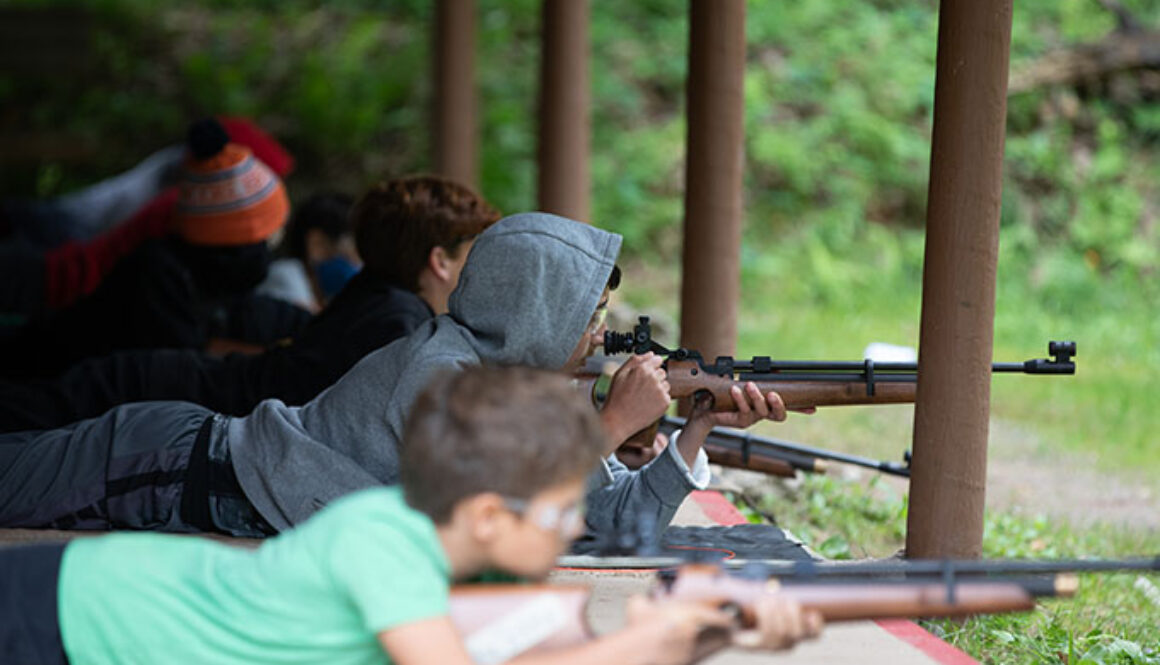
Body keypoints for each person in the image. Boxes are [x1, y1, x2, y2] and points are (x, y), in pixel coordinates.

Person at [0, 212, 789, 543]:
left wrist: (697, 428)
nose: (597, 333)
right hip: (172, 462)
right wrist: (611, 425)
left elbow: (613, 524)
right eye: (584, 312)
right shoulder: (437, 365)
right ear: (531, 311)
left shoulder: (518, 389)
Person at [0, 366, 822, 665]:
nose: (577, 527)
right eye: (565, 508)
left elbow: (569, 644)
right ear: (492, 513)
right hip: (56, 613)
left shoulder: (470, 558)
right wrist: (663, 633)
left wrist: (714, 629)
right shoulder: (383, 538)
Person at [0, 176, 499, 433]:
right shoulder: (398, 322)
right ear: (439, 261)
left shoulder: (379, 295)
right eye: (473, 254)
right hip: (174, 399)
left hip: (169, 385)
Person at [0, 118, 309, 380]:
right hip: (52, 288)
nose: (272, 247)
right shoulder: (164, 266)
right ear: (236, 241)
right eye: (269, 237)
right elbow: (184, 363)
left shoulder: (189, 235)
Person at [256, 190, 360, 313]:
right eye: (354, 249)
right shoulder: (285, 279)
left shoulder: (318, 293)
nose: (358, 264)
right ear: (317, 243)